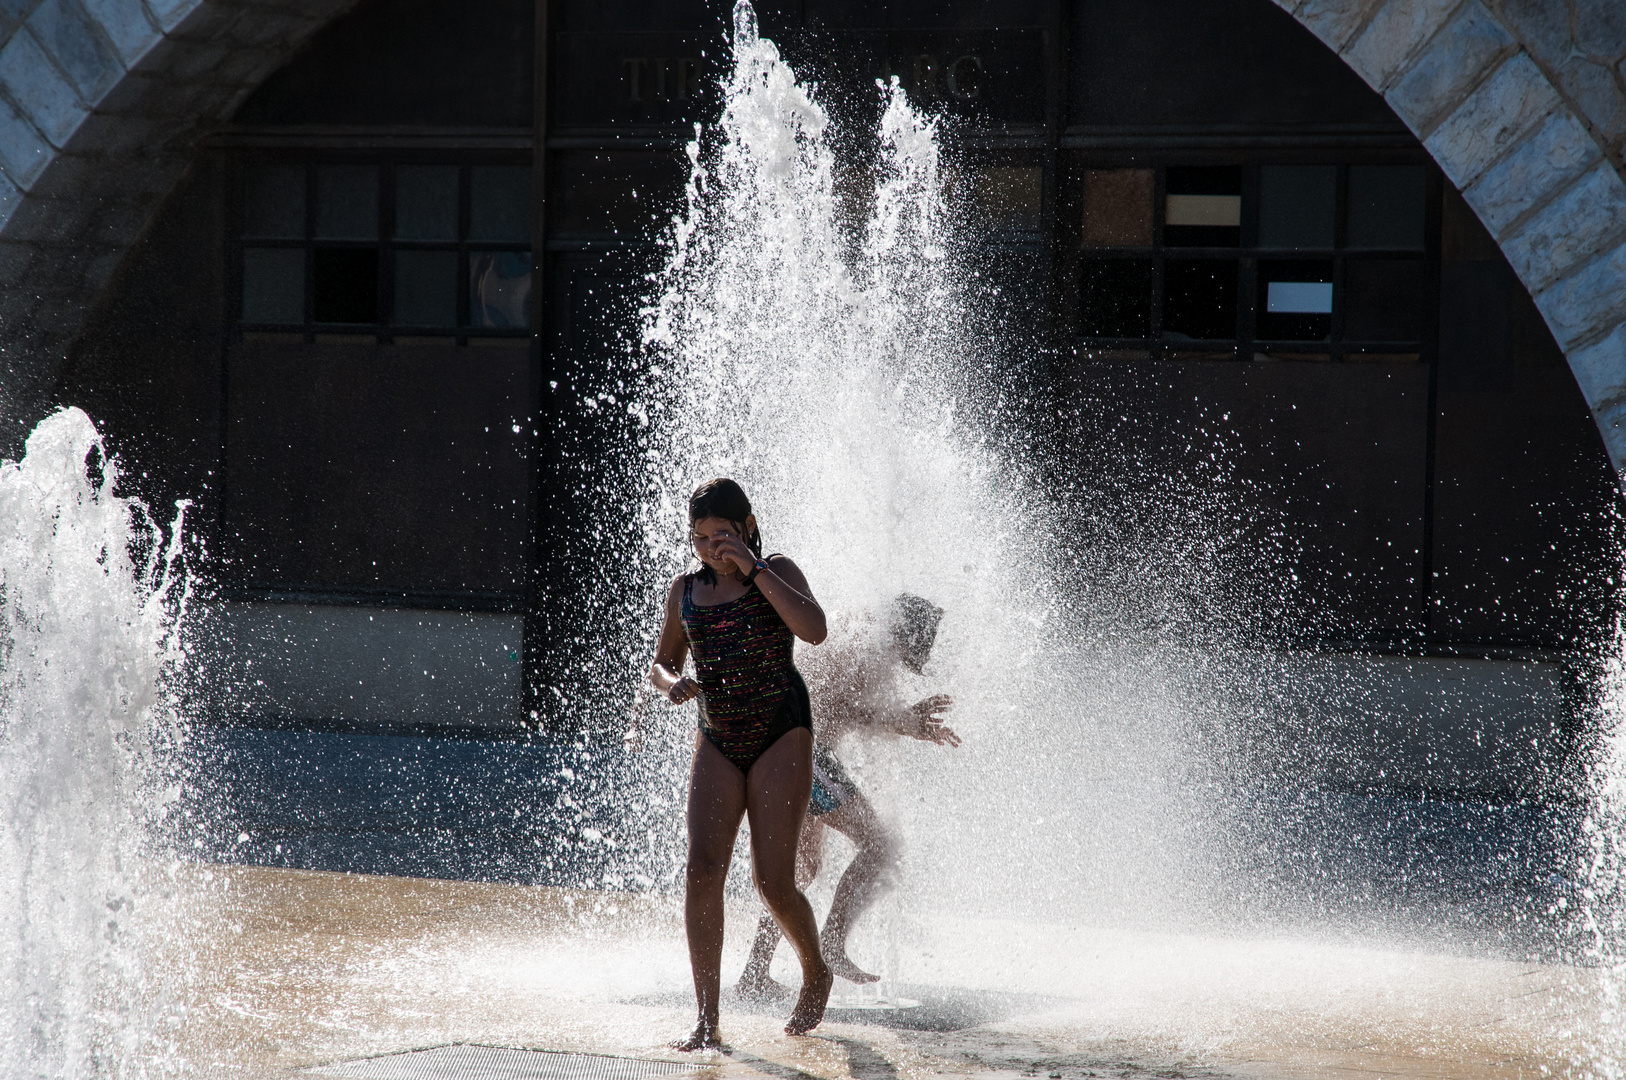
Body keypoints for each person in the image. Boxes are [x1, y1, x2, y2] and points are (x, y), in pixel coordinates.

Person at [647, 477, 832, 1049]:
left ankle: (816, 970)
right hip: (719, 736)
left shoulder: (776, 569)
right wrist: (674, 683)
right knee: (702, 869)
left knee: (773, 884)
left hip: (781, 731)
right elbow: (661, 662)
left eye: (721, 534)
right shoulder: (685, 589)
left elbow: (815, 630)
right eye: (699, 538)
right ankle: (706, 1020)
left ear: (747, 526)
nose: (709, 547)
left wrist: (753, 567)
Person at [736, 593, 958, 1000]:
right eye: (909, 654)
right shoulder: (868, 647)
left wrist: (906, 720)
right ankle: (833, 943)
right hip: (804, 753)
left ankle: (754, 972)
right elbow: (852, 707)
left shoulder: (853, 627)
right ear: (904, 636)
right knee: (881, 844)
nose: (903, 663)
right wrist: (910, 723)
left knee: (798, 871)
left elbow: (847, 705)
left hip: (781, 745)